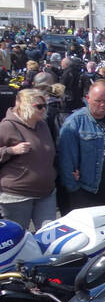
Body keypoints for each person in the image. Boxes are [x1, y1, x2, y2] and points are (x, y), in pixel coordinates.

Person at [57, 80, 105, 212]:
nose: (103, 104)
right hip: (88, 191)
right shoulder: (75, 122)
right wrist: (74, 189)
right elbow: (66, 160)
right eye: (98, 101)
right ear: (87, 99)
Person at [0, 88, 58, 230]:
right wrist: (11, 150)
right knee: (19, 238)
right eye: (39, 106)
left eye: (45, 106)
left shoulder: (43, 125)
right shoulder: (7, 126)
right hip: (17, 194)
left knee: (48, 235)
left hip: (46, 192)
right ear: (23, 105)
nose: (43, 109)